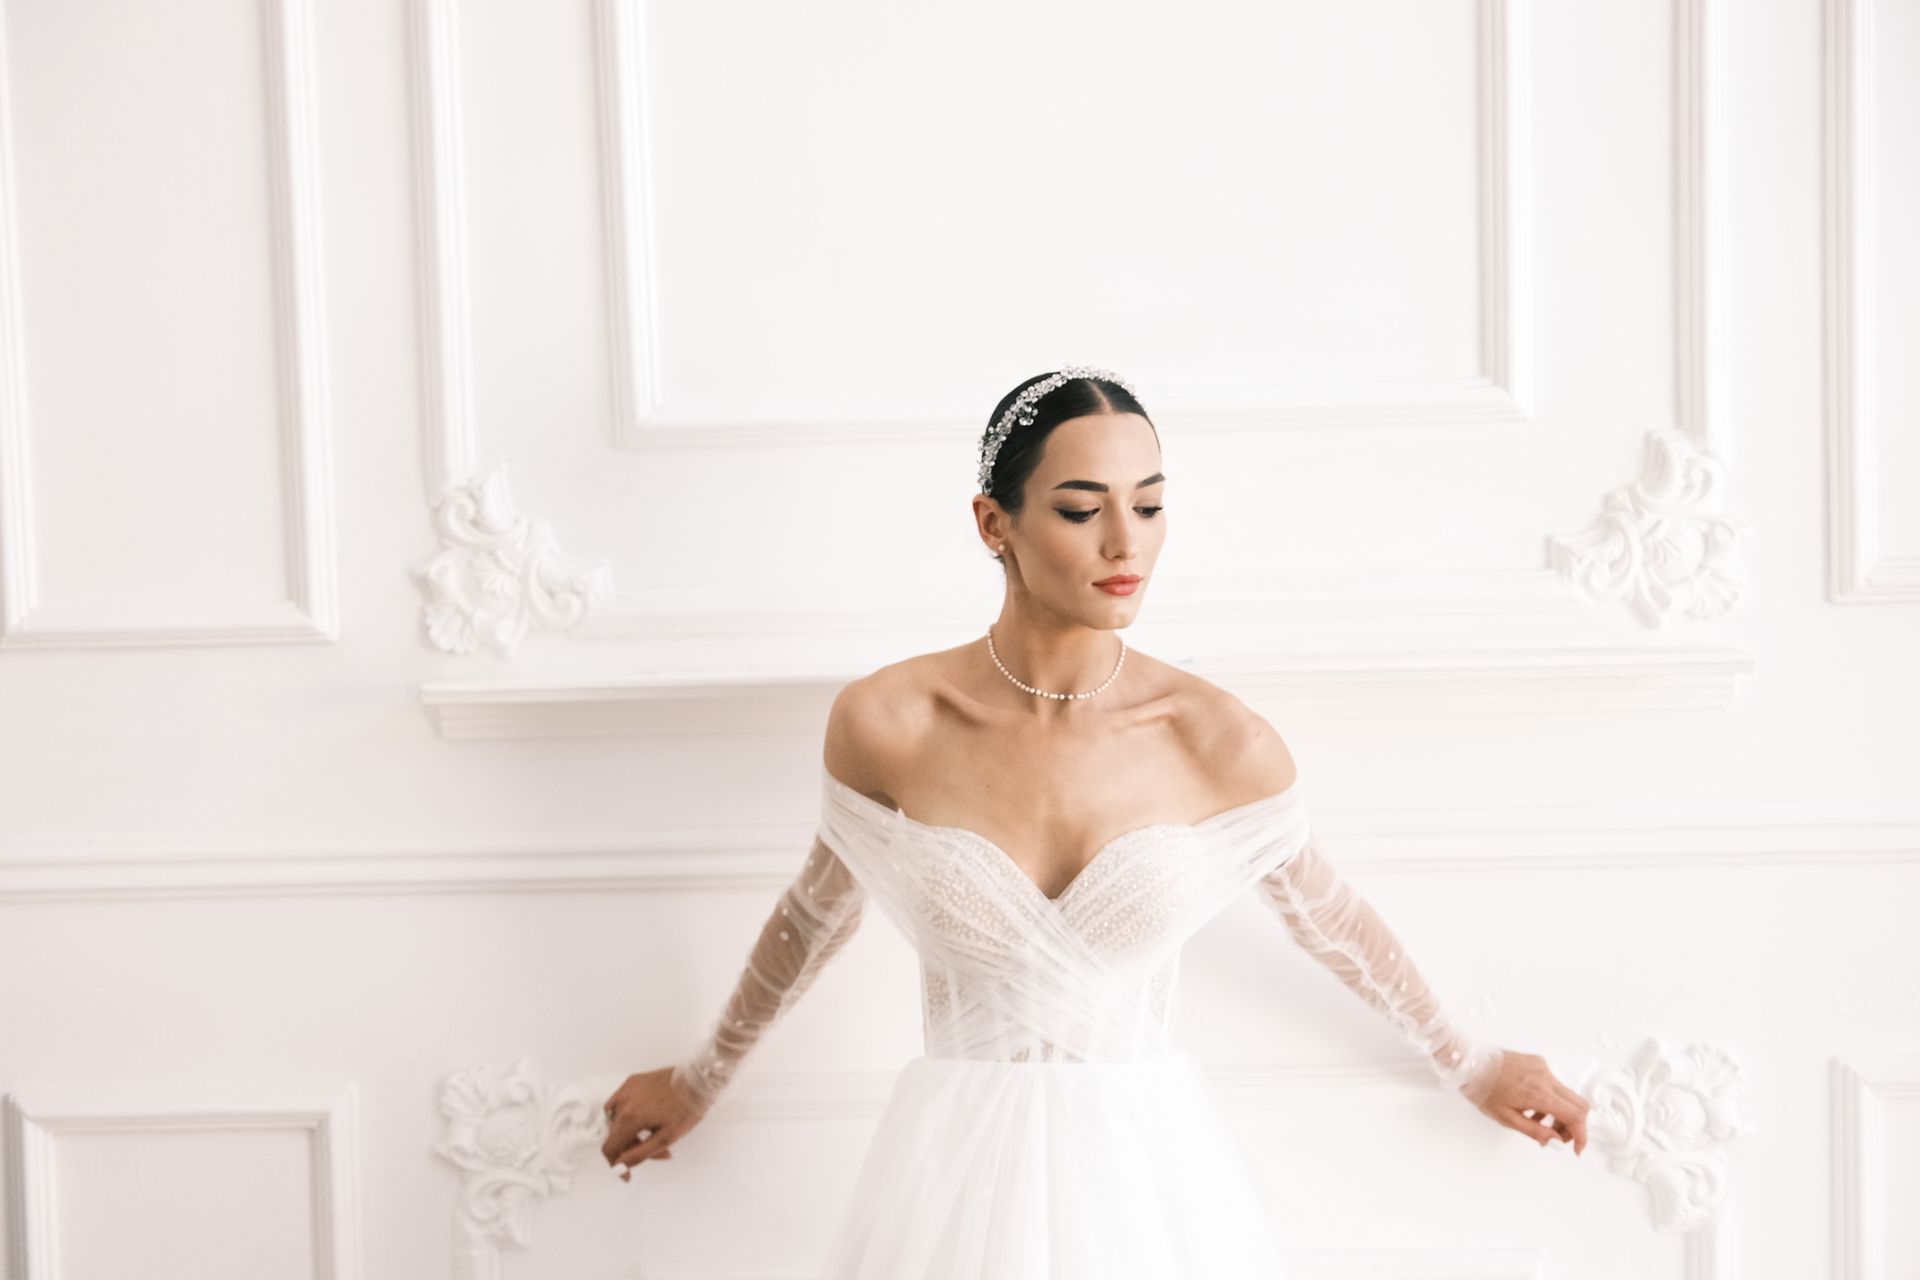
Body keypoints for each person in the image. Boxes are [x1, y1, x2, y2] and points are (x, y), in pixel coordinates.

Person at [601, 367, 1591, 1275]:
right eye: (1083, 509)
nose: (1129, 544)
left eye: (1151, 504)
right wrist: (700, 1077)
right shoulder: (890, 721)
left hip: (1146, 1176)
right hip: (952, 1175)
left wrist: (1475, 1061)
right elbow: (815, 913)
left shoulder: (1214, 736)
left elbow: (1328, 916)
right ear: (994, 523)